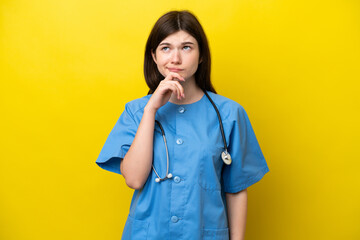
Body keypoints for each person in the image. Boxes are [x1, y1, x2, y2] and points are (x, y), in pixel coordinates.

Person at [95, 10, 269, 240]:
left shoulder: (229, 114)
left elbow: (236, 190)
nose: (175, 59)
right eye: (165, 48)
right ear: (154, 57)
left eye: (186, 47)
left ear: (201, 55)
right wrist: (151, 110)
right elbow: (134, 179)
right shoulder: (136, 112)